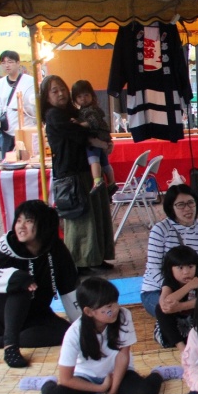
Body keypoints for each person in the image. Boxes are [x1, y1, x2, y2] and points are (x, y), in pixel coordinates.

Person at [0, 200, 80, 368]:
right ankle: (10, 347)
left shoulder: (56, 250)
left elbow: (69, 288)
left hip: (33, 314)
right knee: (21, 285)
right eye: (18, 220)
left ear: (44, 225)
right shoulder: (9, 247)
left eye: (28, 221)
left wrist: (84, 325)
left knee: (69, 333)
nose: (21, 226)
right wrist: (14, 277)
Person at [41, 277, 163, 394]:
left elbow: (123, 356)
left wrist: (112, 391)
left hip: (117, 373)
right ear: (89, 311)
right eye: (109, 307)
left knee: (145, 393)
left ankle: (158, 373)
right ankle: (47, 382)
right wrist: (101, 388)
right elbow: (66, 379)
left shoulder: (123, 315)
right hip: (85, 377)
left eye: (116, 302)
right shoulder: (74, 333)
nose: (116, 308)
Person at [40, 75, 115, 272]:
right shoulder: (54, 115)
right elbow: (79, 134)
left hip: (87, 170)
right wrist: (96, 141)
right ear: (47, 97)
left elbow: (96, 126)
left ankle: (96, 257)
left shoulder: (76, 112)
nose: (61, 93)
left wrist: (104, 141)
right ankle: (80, 262)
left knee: (97, 215)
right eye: (54, 91)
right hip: (70, 174)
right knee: (80, 218)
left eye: (63, 89)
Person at [141, 184, 198, 318]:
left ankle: (185, 310)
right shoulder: (160, 230)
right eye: (180, 205)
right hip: (157, 289)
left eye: (191, 203)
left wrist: (190, 292)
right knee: (165, 310)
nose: (187, 208)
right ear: (171, 208)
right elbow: (154, 267)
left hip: (192, 289)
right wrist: (170, 290)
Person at [0, 50, 37, 158]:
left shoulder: (30, 81)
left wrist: (26, 109)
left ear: (18, 63)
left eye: (10, 62)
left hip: (27, 128)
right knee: (8, 159)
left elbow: (35, 102)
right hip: (8, 130)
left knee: (29, 157)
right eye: (3, 63)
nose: (7, 65)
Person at [156, 245, 198, 352]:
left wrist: (180, 306)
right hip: (173, 330)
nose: (186, 272)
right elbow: (166, 303)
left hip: (195, 326)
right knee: (159, 309)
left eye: (191, 267)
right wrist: (189, 286)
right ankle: (181, 347)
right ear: (170, 269)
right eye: (180, 268)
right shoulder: (169, 282)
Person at [71, 80, 116, 194]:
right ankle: (111, 182)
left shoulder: (90, 110)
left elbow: (93, 123)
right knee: (105, 163)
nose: (83, 98)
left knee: (93, 159)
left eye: (86, 95)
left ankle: (97, 180)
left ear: (92, 95)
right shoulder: (89, 109)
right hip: (103, 139)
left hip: (96, 137)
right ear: (75, 99)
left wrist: (79, 124)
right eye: (79, 96)